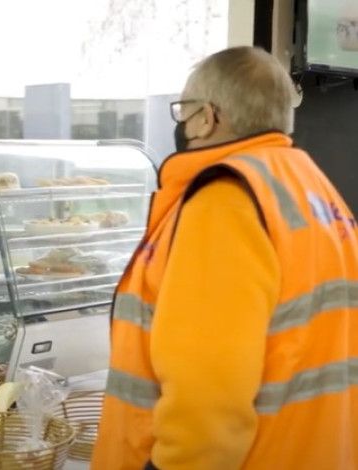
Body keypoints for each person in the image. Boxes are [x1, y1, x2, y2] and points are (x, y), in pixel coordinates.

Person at [92, 46, 358, 469]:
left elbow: (207, 395)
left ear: (207, 117)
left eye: (184, 109)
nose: (182, 123)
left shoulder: (226, 200)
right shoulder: (316, 191)